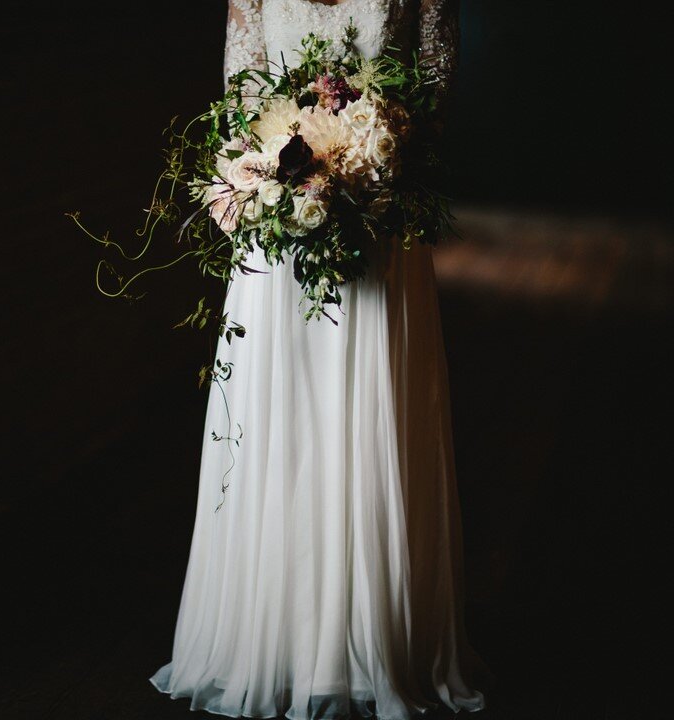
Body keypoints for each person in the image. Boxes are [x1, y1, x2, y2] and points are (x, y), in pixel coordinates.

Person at [149, 1, 489, 718]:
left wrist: (367, 156)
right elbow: (243, 89)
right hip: (277, 226)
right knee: (282, 418)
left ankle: (375, 642)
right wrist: (278, 169)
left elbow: (430, 87)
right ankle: (270, 638)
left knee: (371, 419)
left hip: (377, 218)